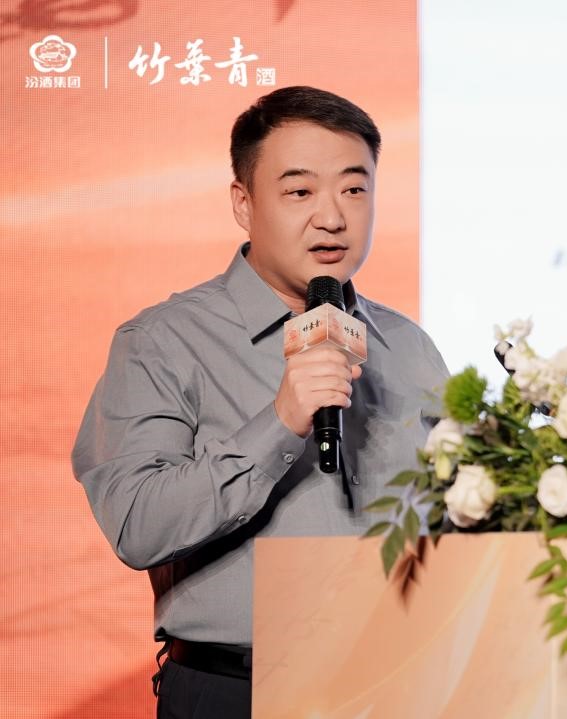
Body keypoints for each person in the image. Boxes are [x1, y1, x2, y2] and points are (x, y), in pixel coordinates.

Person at [72, 86, 448, 718]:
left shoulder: (407, 345)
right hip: (236, 692)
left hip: (399, 687)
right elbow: (138, 526)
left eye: (354, 189)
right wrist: (279, 422)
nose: (332, 217)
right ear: (243, 203)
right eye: (300, 192)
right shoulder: (162, 342)